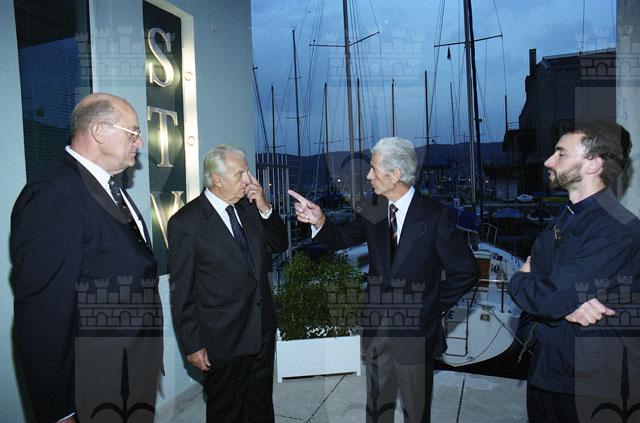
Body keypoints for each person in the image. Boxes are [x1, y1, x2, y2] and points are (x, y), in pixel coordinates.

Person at [289, 137, 479, 423]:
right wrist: (319, 220)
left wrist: (432, 305)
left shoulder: (436, 216)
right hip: (378, 328)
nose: (368, 175)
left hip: (416, 332)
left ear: (395, 174)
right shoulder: (374, 208)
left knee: (416, 412)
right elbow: (342, 237)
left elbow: (466, 271)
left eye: (374, 169)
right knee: (377, 408)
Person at [10, 93, 163, 423]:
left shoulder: (108, 186)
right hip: (94, 389)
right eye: (133, 133)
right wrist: (59, 410)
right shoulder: (53, 194)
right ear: (98, 131)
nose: (139, 143)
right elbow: (43, 313)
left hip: (131, 371)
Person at [508, 120, 640, 422]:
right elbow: (547, 302)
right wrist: (562, 305)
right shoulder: (558, 224)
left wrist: (520, 279)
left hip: (592, 389)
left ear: (594, 164)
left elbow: (550, 296)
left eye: (561, 153)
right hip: (546, 375)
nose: (548, 161)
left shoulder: (619, 229)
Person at [168, 144, 288, 422]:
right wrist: (192, 344)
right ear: (216, 179)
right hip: (222, 339)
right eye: (240, 174)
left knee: (260, 404)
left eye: (248, 172)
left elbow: (279, 243)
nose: (249, 180)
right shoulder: (186, 222)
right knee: (226, 410)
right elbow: (182, 291)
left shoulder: (249, 208)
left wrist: (265, 207)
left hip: (261, 329)